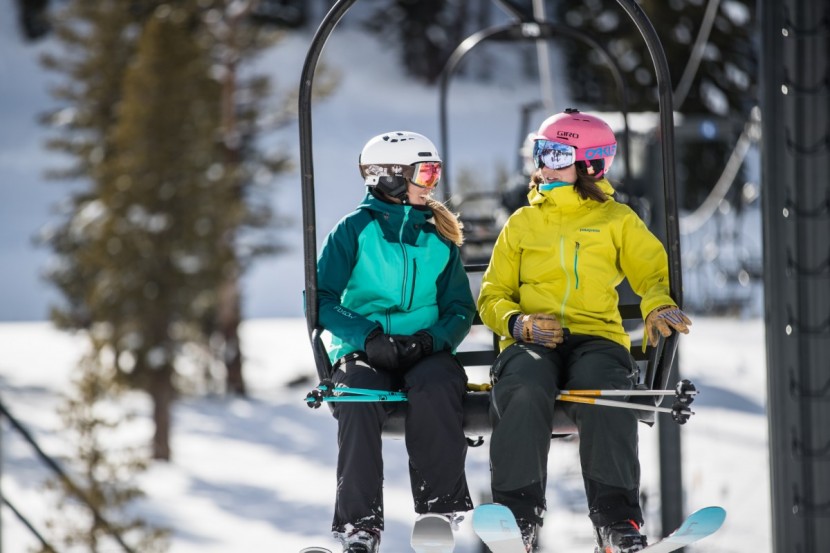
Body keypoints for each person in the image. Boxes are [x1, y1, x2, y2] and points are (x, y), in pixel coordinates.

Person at [476, 109, 692, 553]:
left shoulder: (617, 220)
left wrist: (658, 304)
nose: (544, 163)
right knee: (523, 383)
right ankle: (518, 516)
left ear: (590, 164)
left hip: (596, 337)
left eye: (556, 153)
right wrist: (518, 323)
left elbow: (652, 272)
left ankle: (617, 520)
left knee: (603, 387)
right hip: (533, 339)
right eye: (540, 151)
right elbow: (492, 293)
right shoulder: (522, 223)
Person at [317, 131, 476, 553]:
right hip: (365, 349)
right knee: (356, 392)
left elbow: (460, 308)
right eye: (424, 172)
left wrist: (429, 340)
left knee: (439, 384)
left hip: (423, 349)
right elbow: (322, 301)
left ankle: (439, 510)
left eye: (435, 172)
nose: (432, 183)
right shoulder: (353, 230)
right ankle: (360, 525)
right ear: (387, 177)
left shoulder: (438, 235)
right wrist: (366, 337)